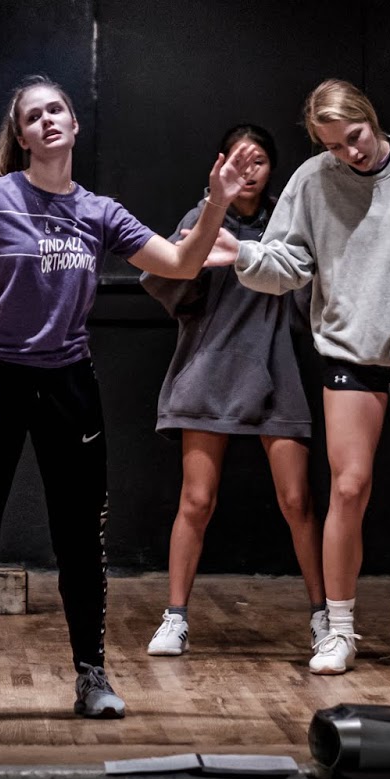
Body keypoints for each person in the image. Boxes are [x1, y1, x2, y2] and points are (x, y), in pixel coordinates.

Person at [0, 74, 261, 721]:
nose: (48, 119)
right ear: (22, 136)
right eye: (34, 115)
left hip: (67, 381)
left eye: (57, 110)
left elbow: (182, 264)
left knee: (79, 537)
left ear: (74, 126)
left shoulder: (99, 212)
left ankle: (91, 676)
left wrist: (216, 202)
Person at [209, 78, 390, 675]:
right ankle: (338, 627)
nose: (349, 153)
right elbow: (286, 264)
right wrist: (243, 255)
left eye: (354, 137)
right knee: (349, 488)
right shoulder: (312, 181)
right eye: (333, 146)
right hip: (350, 353)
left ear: (370, 118)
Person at [140, 123, 327, 657]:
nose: (248, 171)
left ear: (273, 170)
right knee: (196, 499)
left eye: (258, 161)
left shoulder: (286, 225)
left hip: (274, 367)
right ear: (220, 164)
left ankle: (325, 616)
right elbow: (173, 288)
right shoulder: (202, 218)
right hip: (210, 368)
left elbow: (307, 295)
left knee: (297, 500)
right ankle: (175, 617)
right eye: (238, 161)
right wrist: (207, 227)